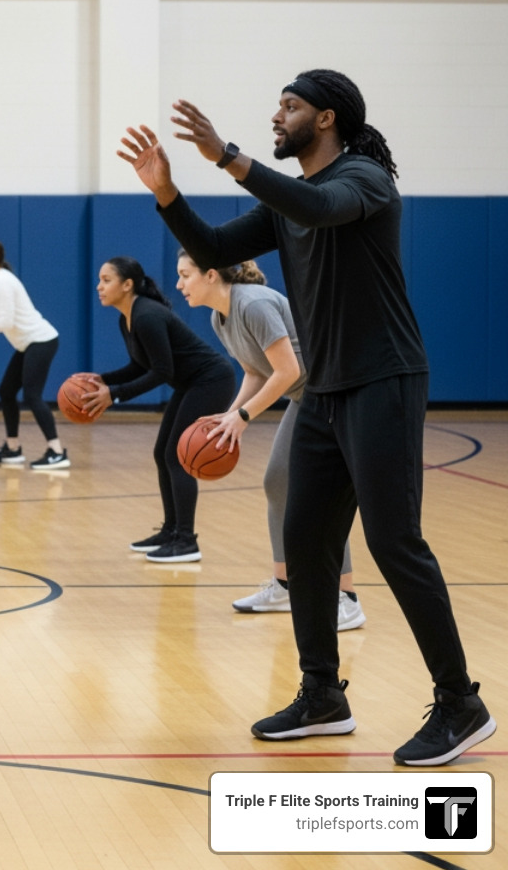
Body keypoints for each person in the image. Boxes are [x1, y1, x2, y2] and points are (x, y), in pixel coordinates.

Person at [117, 67, 494, 765]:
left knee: (393, 540)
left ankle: (460, 703)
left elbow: (319, 208)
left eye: (289, 106)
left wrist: (229, 157)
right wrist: (167, 193)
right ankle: (322, 693)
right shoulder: (287, 202)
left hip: (384, 378)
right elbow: (217, 251)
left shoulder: (365, 181)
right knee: (305, 534)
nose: (277, 115)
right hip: (323, 387)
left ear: (325, 119)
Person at [174, 251, 364, 631]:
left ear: (211, 275)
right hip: (306, 395)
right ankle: (284, 586)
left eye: (185, 275)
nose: (179, 285)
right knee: (277, 483)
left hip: (335, 390)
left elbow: (288, 369)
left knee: (323, 496)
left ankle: (346, 598)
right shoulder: (220, 317)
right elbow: (255, 372)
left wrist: (243, 419)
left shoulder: (254, 304)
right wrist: (231, 412)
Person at [81, 256, 236, 563]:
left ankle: (186, 541)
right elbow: (141, 365)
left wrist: (115, 394)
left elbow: (161, 371)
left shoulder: (147, 316)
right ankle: (171, 530)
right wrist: (103, 380)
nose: (99, 286)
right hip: (192, 382)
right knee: (162, 453)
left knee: (179, 457)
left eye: (106, 280)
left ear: (127, 285)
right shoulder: (127, 317)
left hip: (211, 380)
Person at [0, 238, 69, 470]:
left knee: (32, 395)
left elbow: (3, 323)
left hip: (41, 340)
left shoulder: (2, 282)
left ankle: (57, 451)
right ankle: (13, 448)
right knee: (7, 391)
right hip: (28, 344)